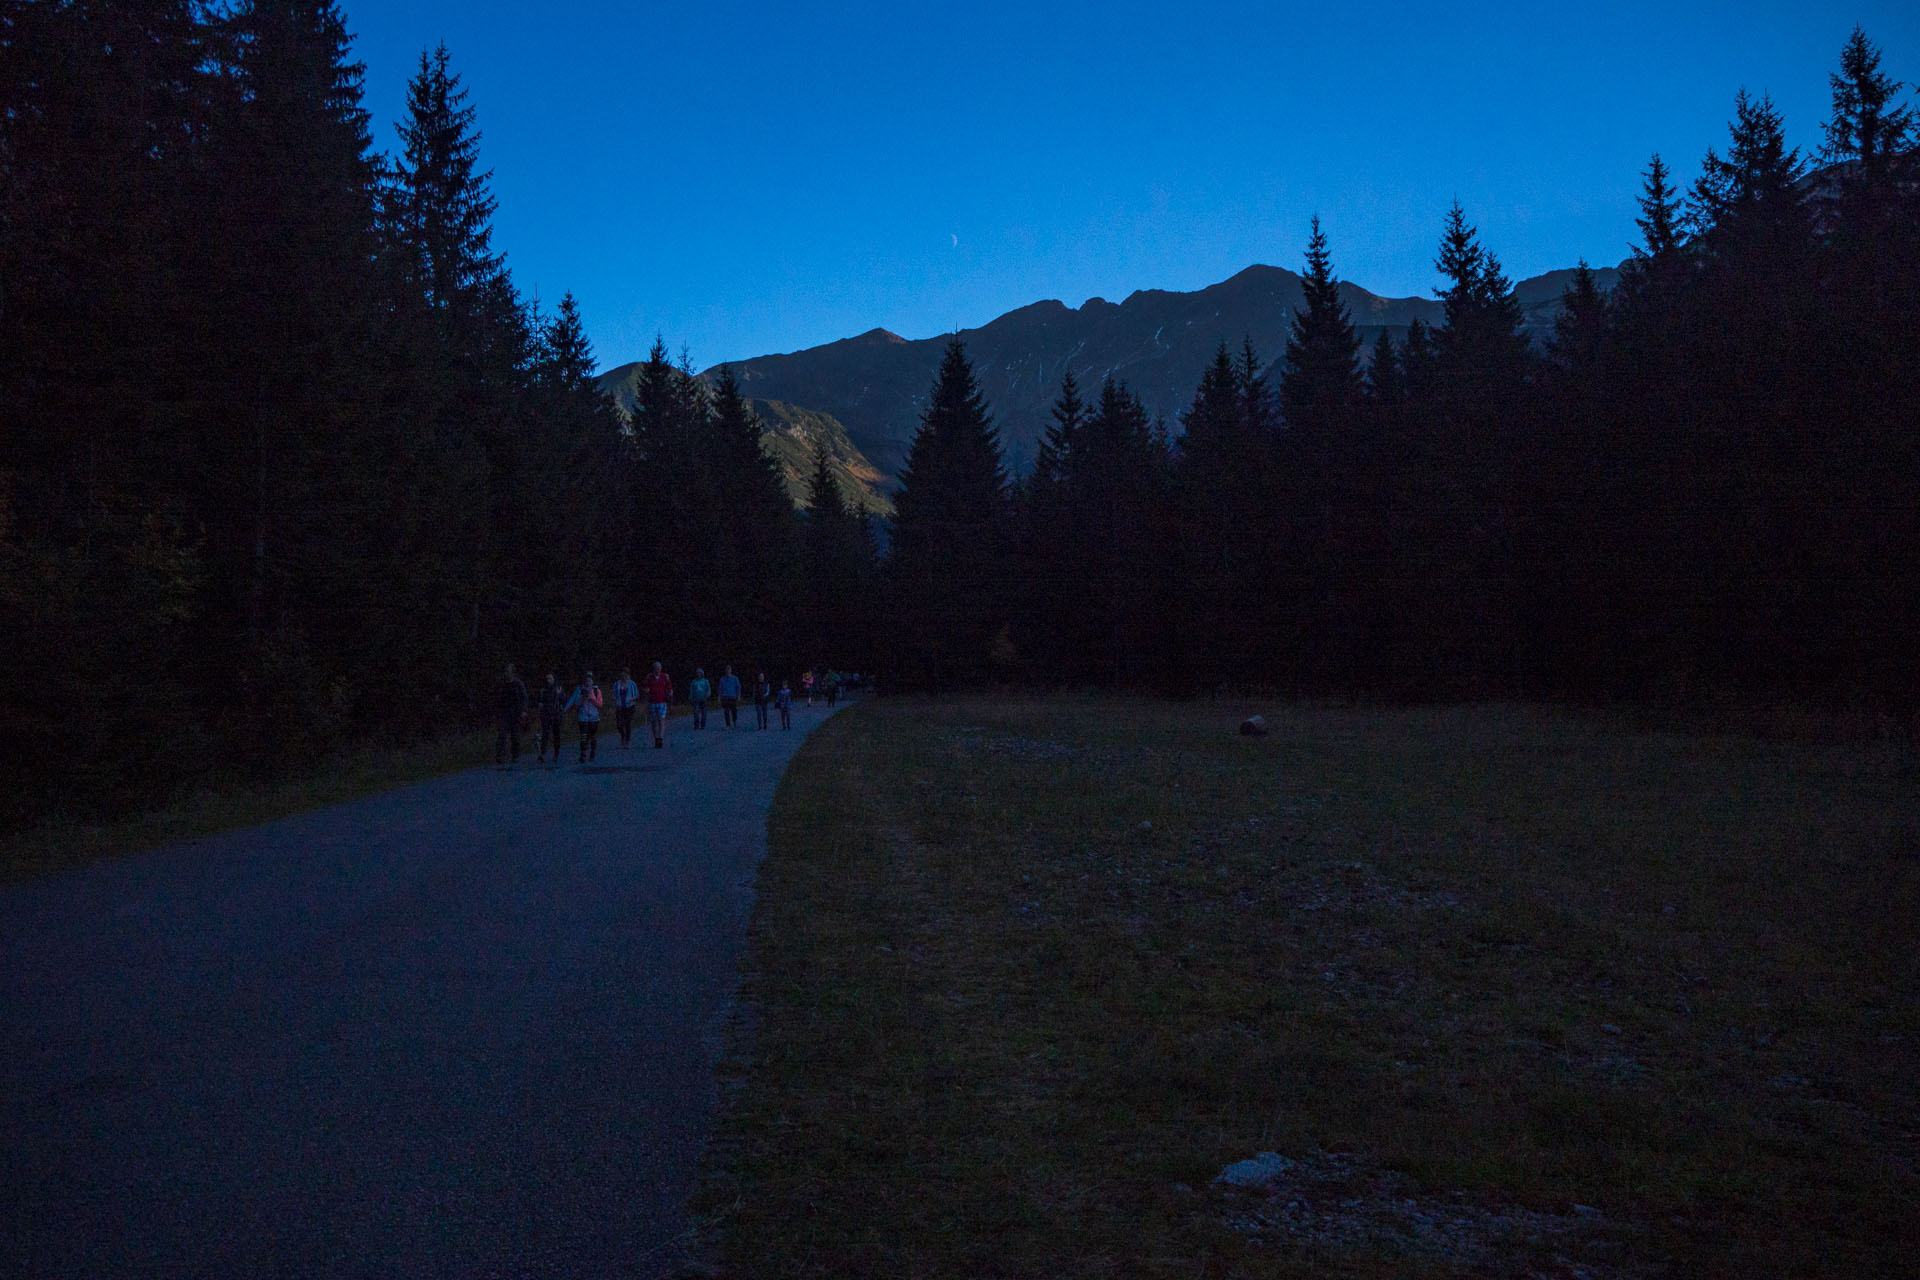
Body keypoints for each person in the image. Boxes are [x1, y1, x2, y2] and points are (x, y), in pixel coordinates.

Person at [564, 671, 603, 763]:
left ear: (593, 682)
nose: (588, 682)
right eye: (586, 680)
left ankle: (592, 753)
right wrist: (582, 698)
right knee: (583, 736)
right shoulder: (579, 690)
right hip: (583, 717)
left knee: (592, 736)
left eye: (590, 680)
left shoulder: (597, 691)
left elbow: (600, 705)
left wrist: (592, 698)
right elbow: (574, 702)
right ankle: (583, 754)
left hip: (594, 718)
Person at [495, 663, 528, 764]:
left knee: (515, 735)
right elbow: (498, 698)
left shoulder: (518, 684)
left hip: (516, 713)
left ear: (512, 672)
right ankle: (500, 756)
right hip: (504, 713)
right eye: (506, 672)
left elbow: (524, 697)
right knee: (502, 735)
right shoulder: (502, 684)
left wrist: (523, 710)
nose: (507, 674)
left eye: (509, 672)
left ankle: (515, 755)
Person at [643, 660, 674, 749]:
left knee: (661, 719)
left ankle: (660, 737)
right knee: (654, 721)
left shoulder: (665, 677)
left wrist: (670, 693)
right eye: (656, 669)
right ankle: (656, 737)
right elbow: (645, 687)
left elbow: (669, 687)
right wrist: (646, 691)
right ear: (653, 669)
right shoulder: (650, 677)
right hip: (652, 701)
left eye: (659, 668)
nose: (658, 670)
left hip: (662, 701)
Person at [536, 672, 565, 763]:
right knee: (545, 734)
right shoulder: (543, 690)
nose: (548, 680)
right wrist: (540, 704)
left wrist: (560, 695)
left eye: (550, 678)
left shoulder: (558, 690)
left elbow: (563, 701)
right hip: (545, 715)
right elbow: (539, 701)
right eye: (547, 679)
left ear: (554, 680)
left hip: (555, 714)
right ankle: (543, 753)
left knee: (556, 735)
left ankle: (556, 753)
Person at [611, 667, 641, 747]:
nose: (623, 675)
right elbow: (614, 695)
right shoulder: (617, 684)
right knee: (619, 724)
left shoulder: (632, 684)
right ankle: (623, 736)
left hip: (629, 706)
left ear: (628, 675)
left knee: (627, 723)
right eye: (622, 673)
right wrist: (615, 703)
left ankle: (627, 740)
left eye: (625, 673)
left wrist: (631, 699)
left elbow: (637, 695)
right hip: (619, 706)